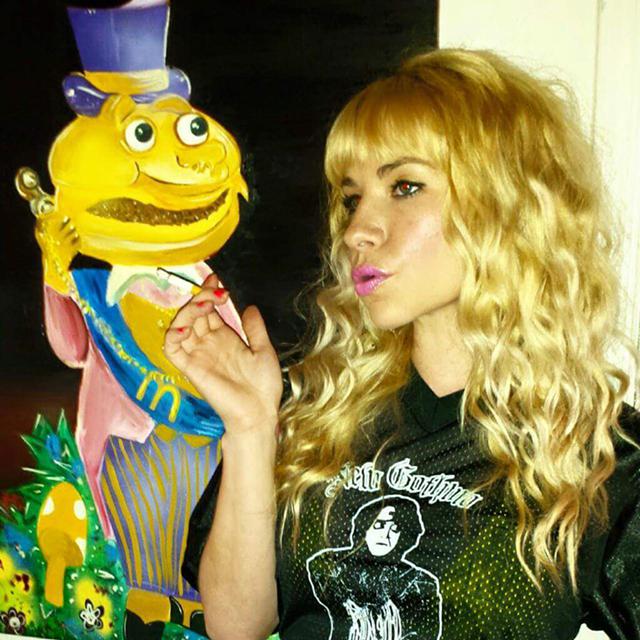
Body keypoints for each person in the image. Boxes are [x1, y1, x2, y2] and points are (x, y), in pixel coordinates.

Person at [164, 48, 640, 640]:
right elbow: (237, 626)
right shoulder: (315, 413)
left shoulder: (600, 456)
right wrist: (250, 426)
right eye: (352, 198)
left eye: (405, 186)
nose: (358, 231)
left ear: (505, 204)